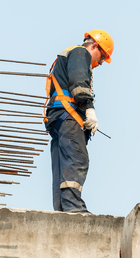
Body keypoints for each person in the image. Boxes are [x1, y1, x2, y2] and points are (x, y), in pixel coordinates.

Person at [44, 30, 114, 213]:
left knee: (63, 164)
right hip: (69, 117)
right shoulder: (80, 52)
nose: (99, 64)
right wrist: (89, 108)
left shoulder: (65, 56)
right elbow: (79, 83)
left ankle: (61, 209)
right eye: (101, 58)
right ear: (94, 46)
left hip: (58, 118)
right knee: (77, 158)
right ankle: (74, 208)